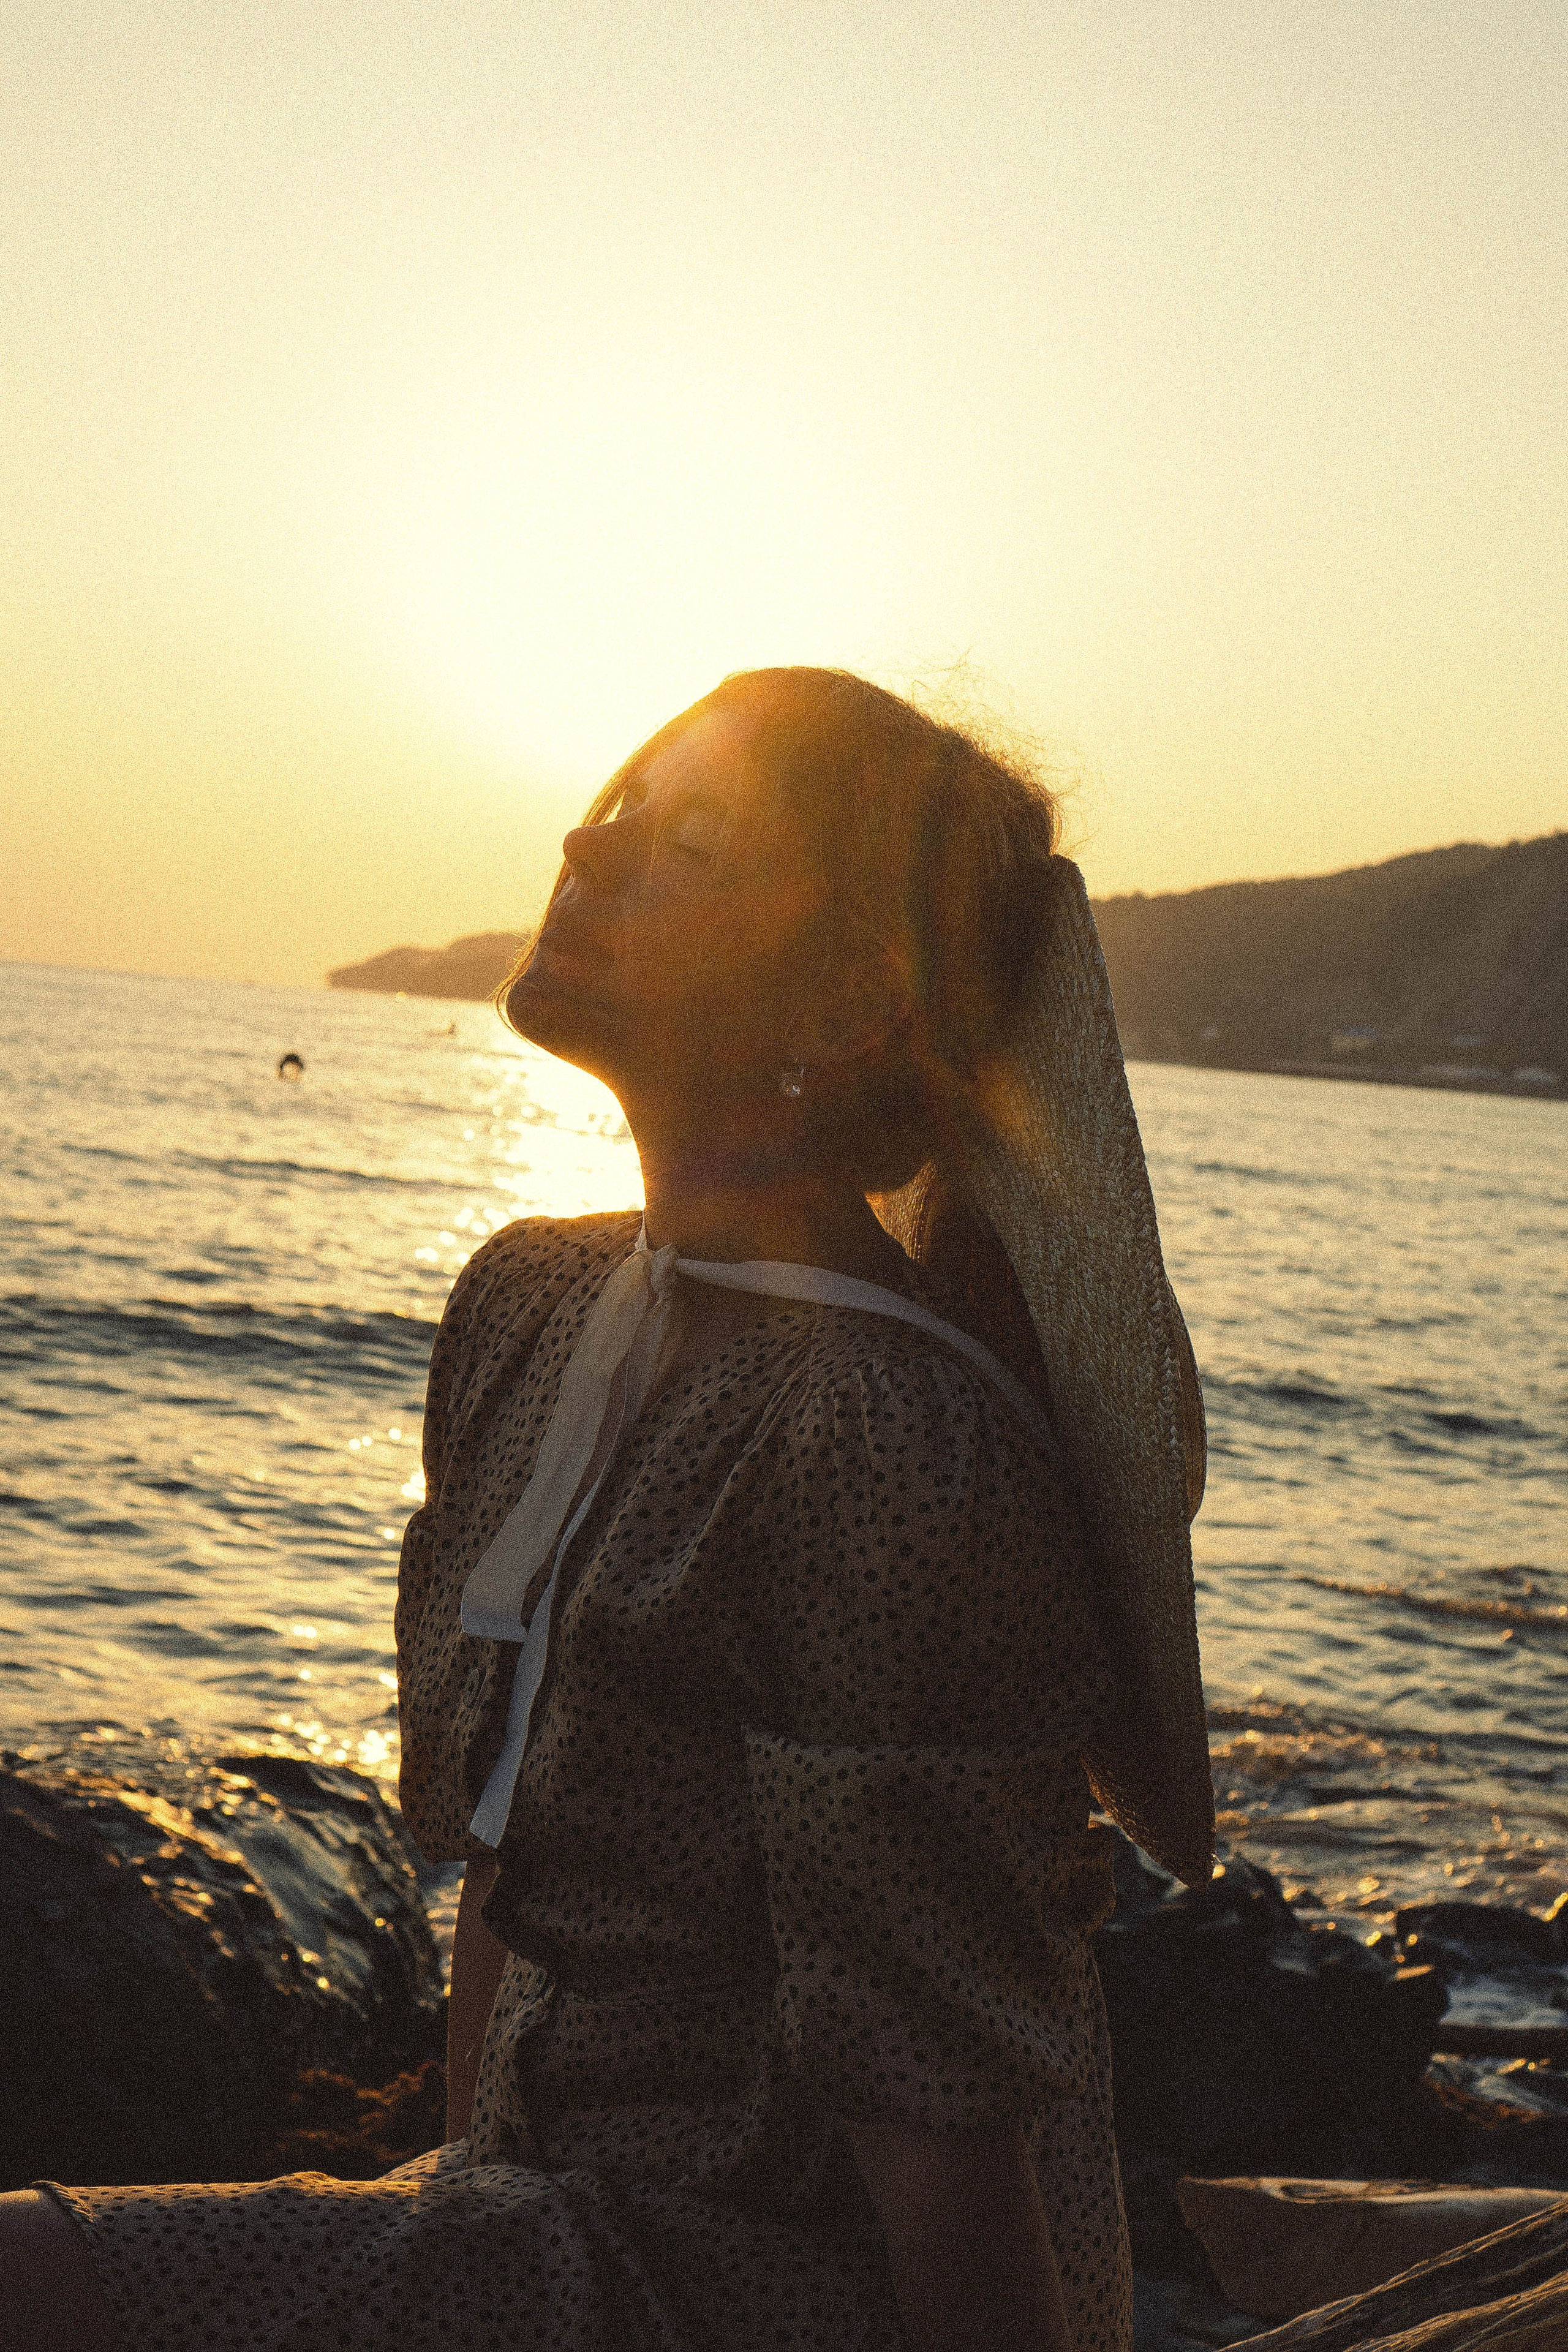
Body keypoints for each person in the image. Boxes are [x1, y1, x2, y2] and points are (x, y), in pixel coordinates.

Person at [0, 668, 1212, 2352]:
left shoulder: (883, 1439)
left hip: (779, 2279)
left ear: (855, 995)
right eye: (619, 804)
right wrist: (449, 2198)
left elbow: (948, 2133)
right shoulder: (535, 1306)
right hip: (553, 2215)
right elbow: (513, 1880)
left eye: (687, 842)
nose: (589, 842)